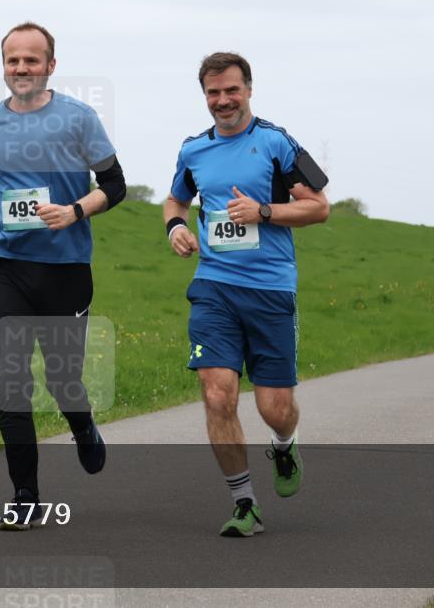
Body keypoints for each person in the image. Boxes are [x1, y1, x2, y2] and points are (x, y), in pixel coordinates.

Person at [0, 22, 127, 530]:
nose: (21, 69)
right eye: (13, 60)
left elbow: (115, 183)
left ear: (50, 66)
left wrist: (75, 212)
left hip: (66, 270)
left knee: (64, 380)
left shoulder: (79, 119)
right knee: (12, 382)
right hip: (9, 270)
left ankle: (83, 426)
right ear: (4, 66)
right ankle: (25, 496)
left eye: (32, 60)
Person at [163, 52, 330, 537]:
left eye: (231, 90)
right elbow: (177, 197)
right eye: (213, 93)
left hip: (271, 289)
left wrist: (264, 212)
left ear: (249, 89)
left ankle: (284, 443)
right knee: (218, 395)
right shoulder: (193, 150)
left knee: (273, 407)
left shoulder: (276, 143)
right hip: (214, 287)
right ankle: (244, 504)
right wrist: (175, 226)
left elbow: (319, 208)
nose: (223, 101)